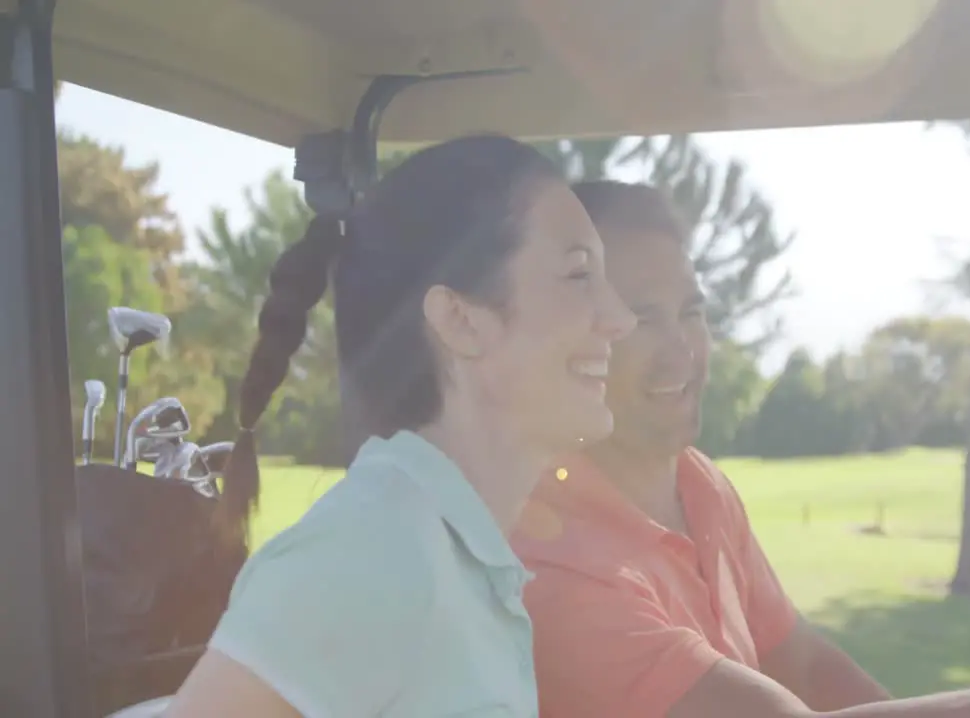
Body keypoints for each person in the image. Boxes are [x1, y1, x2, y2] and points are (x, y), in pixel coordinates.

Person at [511, 180, 970, 718]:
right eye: (644, 318)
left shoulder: (700, 486)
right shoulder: (553, 564)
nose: (682, 349)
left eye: (693, 311)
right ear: (586, 331)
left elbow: (804, 664)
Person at [166, 136, 635, 717]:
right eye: (579, 274)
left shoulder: (451, 551)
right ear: (460, 321)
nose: (620, 317)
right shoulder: (374, 548)